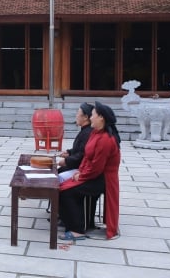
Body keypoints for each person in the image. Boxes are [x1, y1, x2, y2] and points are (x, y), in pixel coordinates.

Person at [58, 101, 121, 241]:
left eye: (93, 115)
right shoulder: (96, 133)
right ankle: (73, 224)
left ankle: (77, 230)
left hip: (101, 179)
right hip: (92, 174)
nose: (91, 118)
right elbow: (87, 157)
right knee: (63, 187)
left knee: (67, 192)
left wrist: (81, 175)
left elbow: (97, 167)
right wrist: (80, 171)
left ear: (101, 118)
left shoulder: (106, 140)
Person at [58, 103, 93, 175]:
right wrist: (69, 152)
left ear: (86, 117)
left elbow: (82, 155)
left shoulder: (88, 133)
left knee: (59, 177)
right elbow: (79, 148)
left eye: (78, 113)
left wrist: (66, 161)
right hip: (76, 166)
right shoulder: (85, 130)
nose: (76, 116)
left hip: (79, 169)